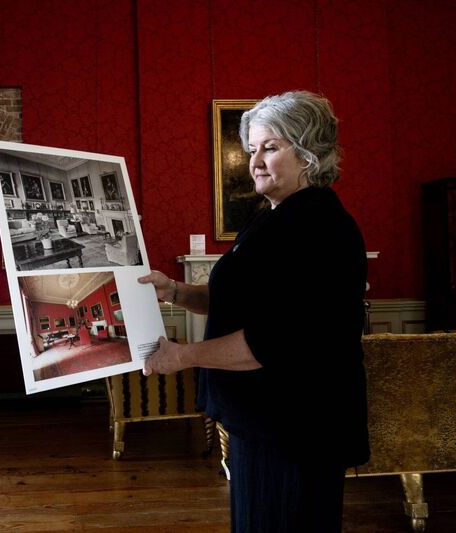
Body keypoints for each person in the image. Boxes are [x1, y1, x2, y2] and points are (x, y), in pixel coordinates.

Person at [138, 91, 369, 533]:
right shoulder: (272, 216)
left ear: (308, 154)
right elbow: (239, 297)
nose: (255, 161)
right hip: (262, 423)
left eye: (271, 147)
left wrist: (183, 356)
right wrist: (176, 292)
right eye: (251, 150)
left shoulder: (318, 226)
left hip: (296, 430)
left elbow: (275, 341)